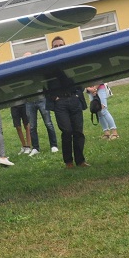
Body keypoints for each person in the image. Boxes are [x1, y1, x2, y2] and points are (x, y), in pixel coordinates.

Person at [44, 36, 88, 168]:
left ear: (65, 45)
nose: (58, 47)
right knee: (67, 131)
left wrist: (77, 94)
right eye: (55, 46)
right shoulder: (48, 64)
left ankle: (80, 161)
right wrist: (54, 98)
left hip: (74, 99)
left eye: (60, 45)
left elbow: (81, 77)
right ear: (52, 48)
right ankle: (68, 161)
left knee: (78, 132)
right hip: (60, 102)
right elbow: (44, 85)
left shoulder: (72, 60)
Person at [22, 52, 59, 155]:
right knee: (32, 126)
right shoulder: (22, 71)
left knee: (48, 123)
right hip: (29, 102)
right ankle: (35, 148)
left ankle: (54, 145)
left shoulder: (38, 68)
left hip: (41, 99)